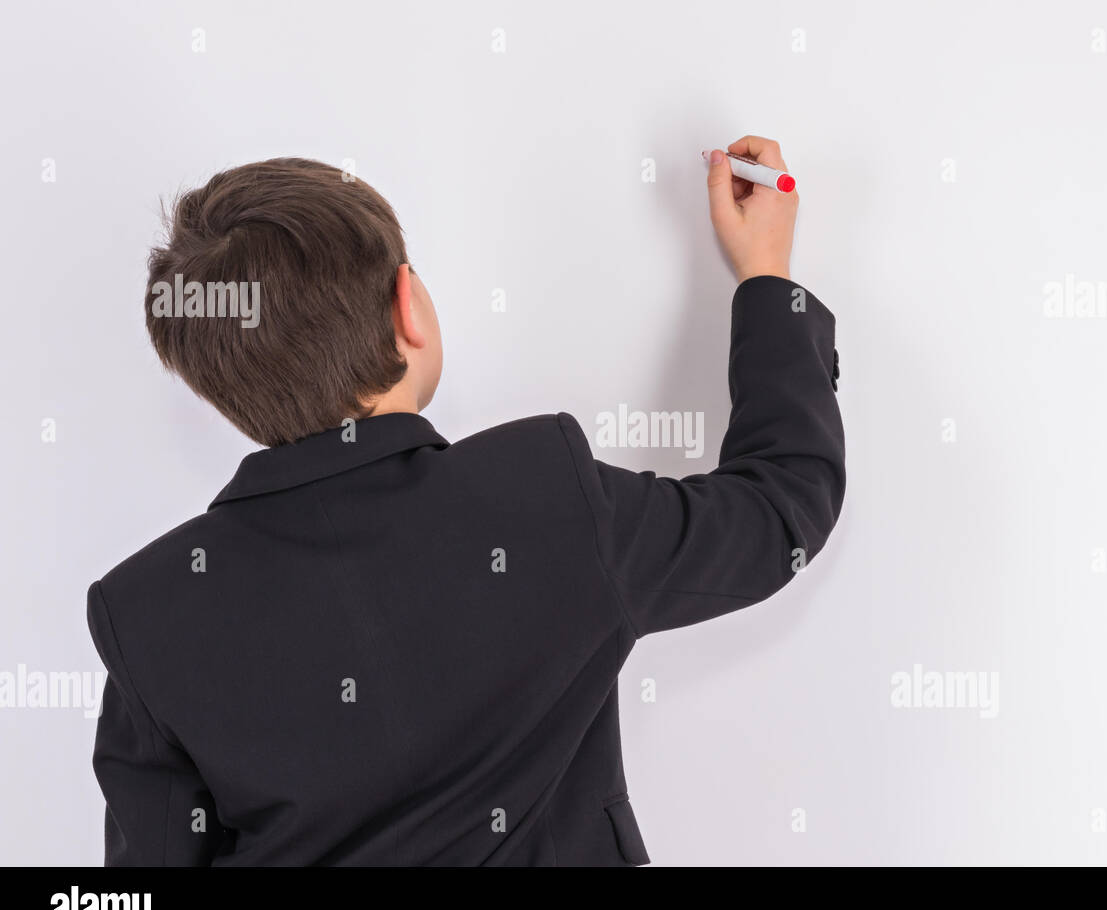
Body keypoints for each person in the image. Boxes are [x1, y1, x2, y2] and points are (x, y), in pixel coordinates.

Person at [87, 136, 846, 865]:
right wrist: (766, 273)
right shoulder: (544, 497)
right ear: (408, 305)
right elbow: (781, 507)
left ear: (220, 382)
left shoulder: (146, 612)